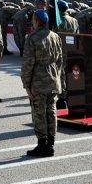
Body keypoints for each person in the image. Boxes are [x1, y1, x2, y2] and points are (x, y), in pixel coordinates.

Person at [21, 9, 63, 158]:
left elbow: (28, 64)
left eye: (33, 20)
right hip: (53, 79)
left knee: (39, 113)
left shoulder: (32, 38)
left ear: (37, 21)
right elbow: (60, 61)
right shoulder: (55, 36)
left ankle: (42, 144)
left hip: (38, 81)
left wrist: (26, 84)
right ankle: (51, 144)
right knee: (51, 111)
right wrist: (56, 76)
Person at [55, 0, 79, 110]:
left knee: (61, 75)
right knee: (70, 74)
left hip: (60, 51)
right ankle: (71, 97)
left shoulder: (57, 21)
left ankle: (62, 98)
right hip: (72, 51)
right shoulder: (74, 20)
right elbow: (77, 36)